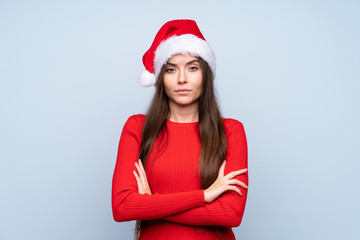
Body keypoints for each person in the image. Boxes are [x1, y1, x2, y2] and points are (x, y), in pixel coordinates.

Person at [112, 19, 248, 240]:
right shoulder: (138, 127)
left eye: (192, 68)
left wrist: (151, 203)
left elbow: (231, 214)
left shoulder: (231, 131)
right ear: (160, 78)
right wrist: (204, 196)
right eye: (171, 69)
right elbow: (123, 207)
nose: (182, 79)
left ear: (206, 74)